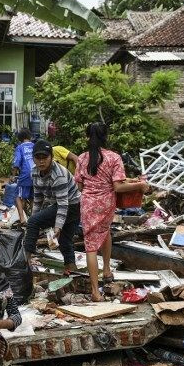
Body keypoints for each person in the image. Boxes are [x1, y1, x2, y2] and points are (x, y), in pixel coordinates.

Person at [74, 123, 147, 301]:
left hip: (88, 204)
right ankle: (105, 271)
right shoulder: (113, 157)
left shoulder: (82, 158)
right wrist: (140, 184)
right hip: (106, 203)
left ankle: (95, 291)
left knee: (90, 246)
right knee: (105, 232)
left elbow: (79, 185)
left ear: (87, 137)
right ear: (105, 137)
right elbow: (118, 186)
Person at [24, 139, 81, 275]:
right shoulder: (34, 172)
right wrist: (34, 222)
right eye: (38, 158)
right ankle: (71, 269)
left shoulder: (59, 174)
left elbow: (63, 204)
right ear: (33, 158)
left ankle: (25, 261)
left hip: (73, 205)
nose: (42, 161)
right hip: (63, 204)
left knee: (34, 223)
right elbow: (38, 199)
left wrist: (58, 226)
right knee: (64, 241)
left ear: (52, 157)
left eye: (45, 157)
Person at [12, 128, 35, 224]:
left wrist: (13, 175)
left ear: (20, 138)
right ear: (30, 137)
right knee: (33, 197)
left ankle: (22, 218)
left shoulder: (20, 148)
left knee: (18, 196)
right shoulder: (35, 146)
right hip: (36, 175)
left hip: (25, 175)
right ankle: (34, 219)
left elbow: (16, 163)